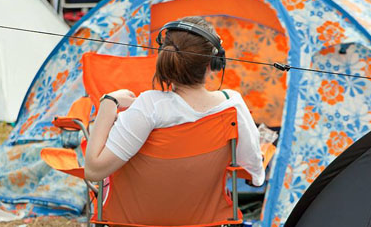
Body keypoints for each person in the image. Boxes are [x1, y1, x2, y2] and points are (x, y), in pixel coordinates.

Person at [84, 16, 265, 187]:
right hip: (208, 210)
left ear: (166, 59)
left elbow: (93, 171)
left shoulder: (148, 106)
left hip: (140, 209)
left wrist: (109, 102)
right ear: (214, 64)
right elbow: (254, 172)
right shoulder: (232, 105)